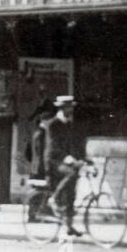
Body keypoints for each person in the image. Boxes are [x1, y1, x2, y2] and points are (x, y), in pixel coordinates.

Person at [44, 95, 81, 236]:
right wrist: (68, 158)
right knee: (71, 174)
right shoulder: (53, 124)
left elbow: (72, 145)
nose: (71, 109)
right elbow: (54, 147)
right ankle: (53, 199)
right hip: (54, 161)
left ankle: (69, 226)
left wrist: (81, 159)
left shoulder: (68, 124)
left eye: (71, 107)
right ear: (62, 108)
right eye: (68, 107)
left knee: (72, 188)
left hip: (65, 160)